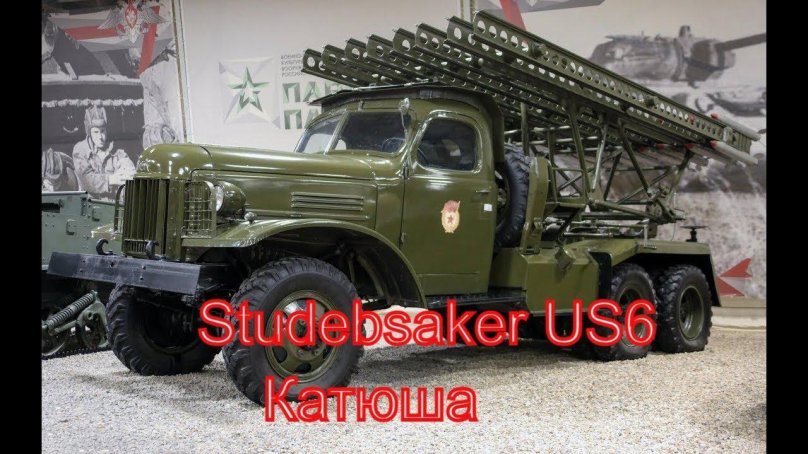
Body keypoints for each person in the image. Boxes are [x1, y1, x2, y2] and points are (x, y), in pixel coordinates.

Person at [72, 105, 135, 200]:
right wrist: (111, 179)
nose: (100, 137)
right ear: (89, 133)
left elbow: (130, 172)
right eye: (96, 132)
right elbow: (86, 180)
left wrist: (128, 173)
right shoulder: (81, 150)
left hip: (114, 203)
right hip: (90, 203)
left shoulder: (117, 150)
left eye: (102, 131)